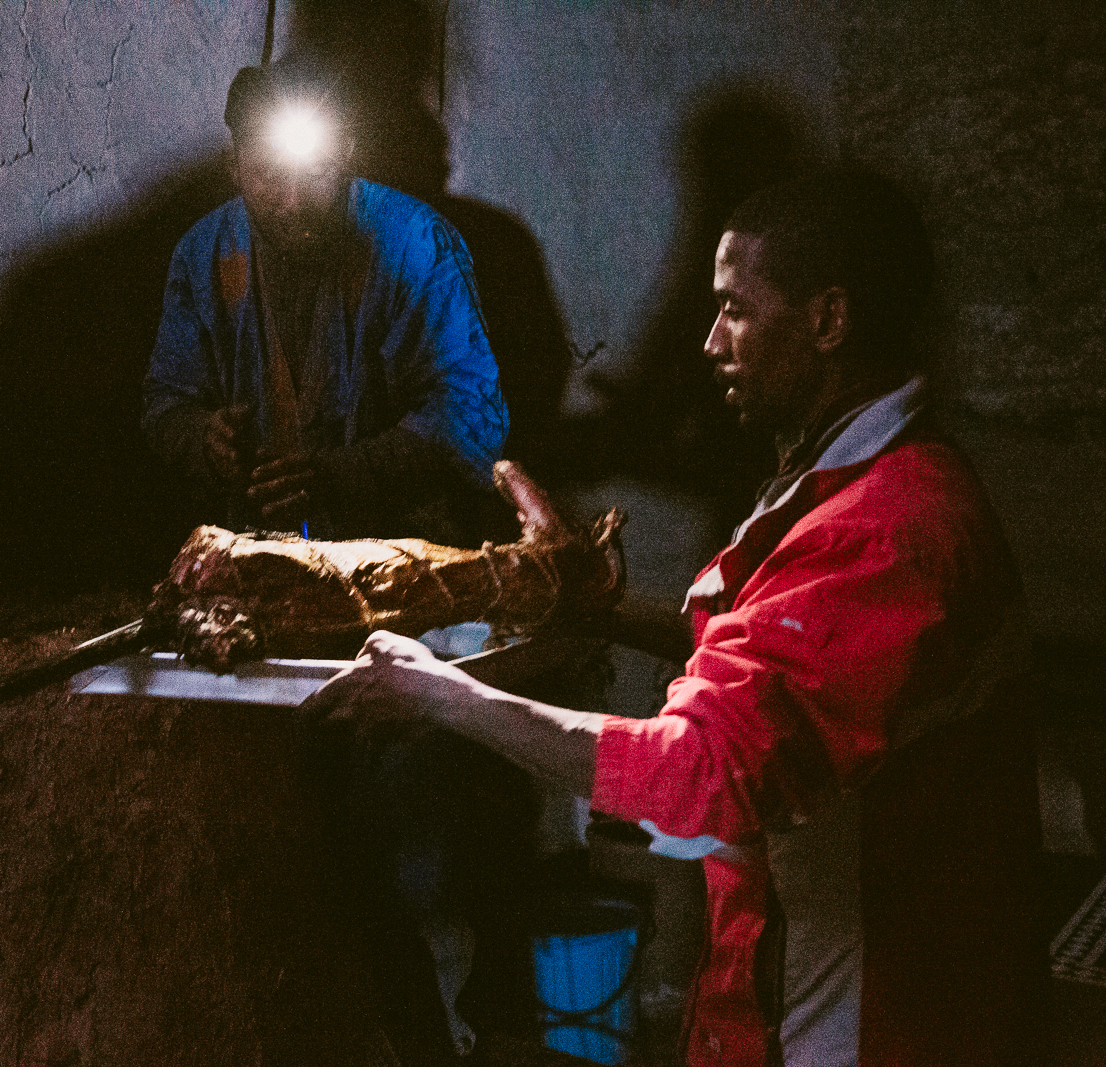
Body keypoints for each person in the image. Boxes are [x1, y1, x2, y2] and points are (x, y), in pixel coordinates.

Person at [306, 169, 1045, 1066]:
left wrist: (441, 696)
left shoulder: (887, 531)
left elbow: (703, 767)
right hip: (798, 987)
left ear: (828, 321)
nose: (709, 342)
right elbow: (773, 666)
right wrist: (599, 608)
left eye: (734, 310)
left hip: (867, 1028)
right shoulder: (856, 476)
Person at [142, 58, 508, 542]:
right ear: (235, 167)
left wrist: (343, 476)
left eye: (316, 171)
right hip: (256, 554)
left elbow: (473, 414)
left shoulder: (416, 244)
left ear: (348, 152)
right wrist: (203, 438)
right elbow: (164, 404)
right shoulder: (202, 254)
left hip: (400, 549)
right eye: (268, 174)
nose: (293, 201)